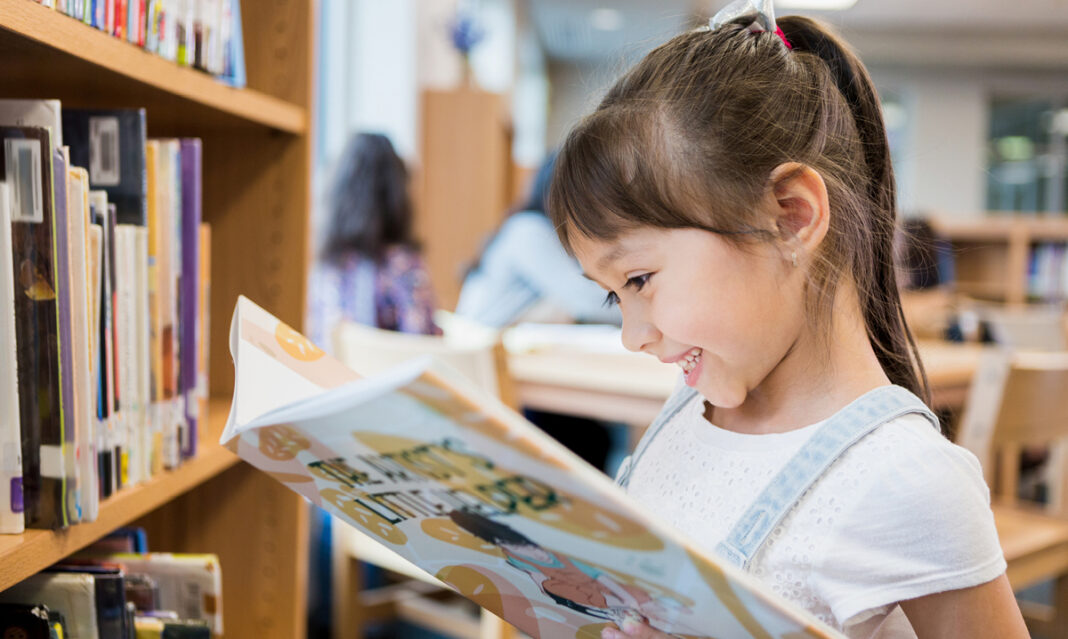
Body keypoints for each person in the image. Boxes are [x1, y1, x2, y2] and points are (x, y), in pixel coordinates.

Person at [547, 4, 1028, 638]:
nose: (632, 334)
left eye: (638, 279)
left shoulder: (908, 482)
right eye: (613, 295)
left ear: (791, 217)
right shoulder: (688, 410)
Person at [307, 132, 439, 352]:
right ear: (397, 195)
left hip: (331, 383)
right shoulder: (404, 268)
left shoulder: (326, 269)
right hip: (389, 383)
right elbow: (426, 350)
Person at [455, 152, 621, 327]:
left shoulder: (537, 230)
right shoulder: (528, 230)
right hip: (482, 341)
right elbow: (586, 301)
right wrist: (638, 307)